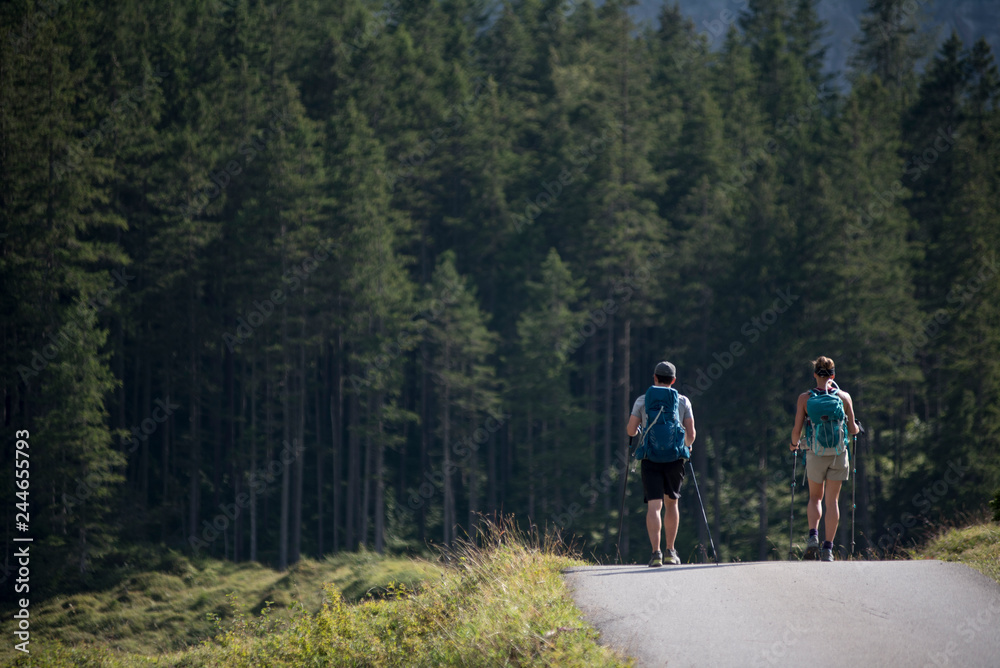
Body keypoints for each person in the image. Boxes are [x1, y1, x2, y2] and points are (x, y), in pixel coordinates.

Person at [626, 361, 696, 567]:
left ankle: (655, 553)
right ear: (673, 380)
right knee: (672, 503)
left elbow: (631, 430)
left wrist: (638, 432)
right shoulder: (683, 401)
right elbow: (691, 434)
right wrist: (687, 447)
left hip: (650, 457)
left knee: (654, 506)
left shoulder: (642, 400)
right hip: (675, 459)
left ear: (655, 378)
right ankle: (670, 552)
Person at [790, 356, 859, 562]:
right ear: (833, 375)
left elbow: (797, 430)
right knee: (832, 501)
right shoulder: (844, 396)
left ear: (814, 375)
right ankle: (828, 549)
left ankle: (813, 536)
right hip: (838, 454)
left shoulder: (805, 398)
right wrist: (857, 429)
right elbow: (853, 429)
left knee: (815, 498)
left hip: (815, 453)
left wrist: (794, 444)